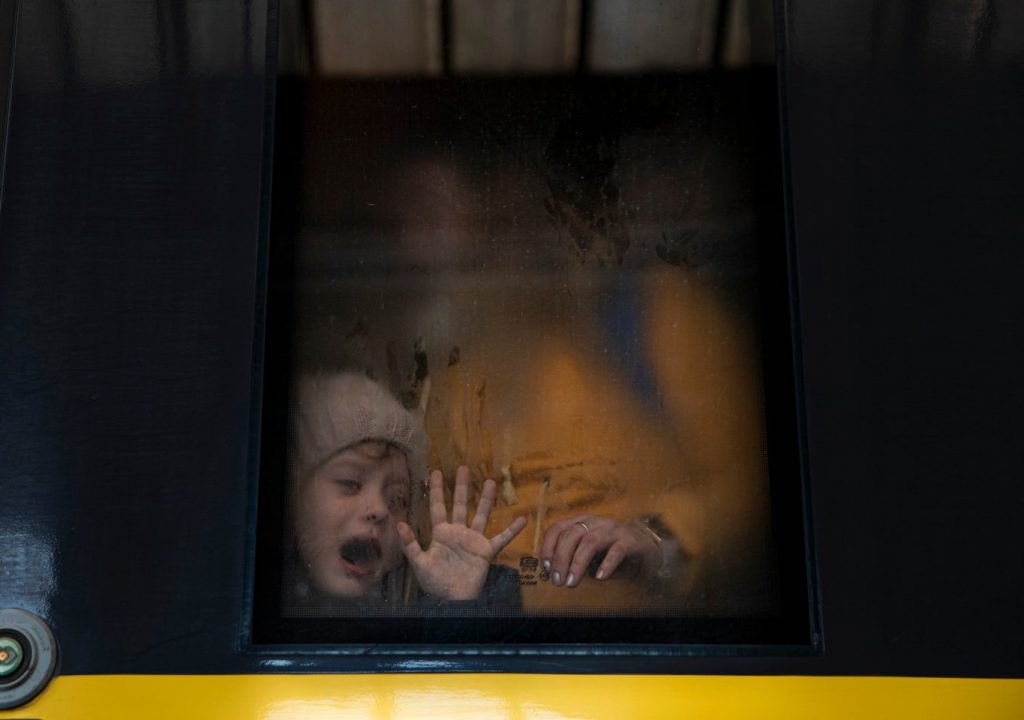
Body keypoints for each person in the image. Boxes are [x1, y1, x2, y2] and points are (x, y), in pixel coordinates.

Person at [286, 372, 526, 611]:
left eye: (397, 499)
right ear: (296, 492)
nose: (380, 509)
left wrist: (456, 602)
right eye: (350, 483)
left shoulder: (409, 603)